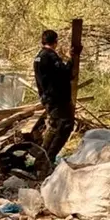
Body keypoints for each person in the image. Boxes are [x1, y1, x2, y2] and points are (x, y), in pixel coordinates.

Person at [33, 29, 79, 161]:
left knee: (54, 127)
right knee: (65, 126)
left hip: (47, 97)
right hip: (57, 99)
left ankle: (42, 158)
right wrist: (71, 59)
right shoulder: (50, 56)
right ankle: (48, 158)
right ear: (55, 42)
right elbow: (64, 73)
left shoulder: (38, 57)